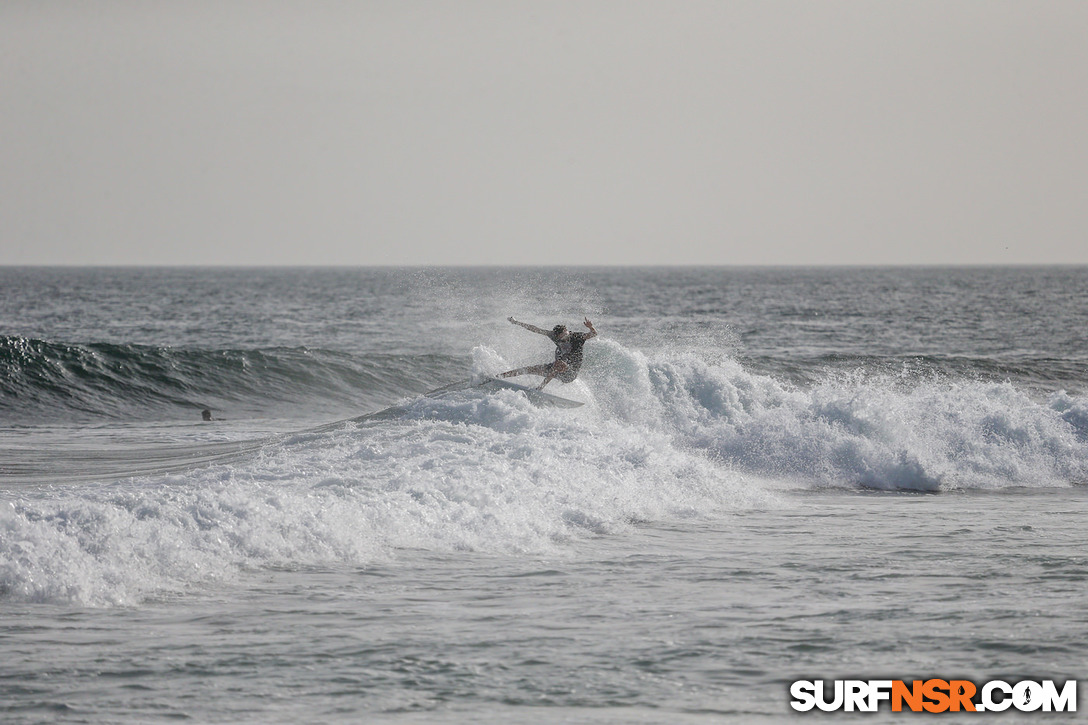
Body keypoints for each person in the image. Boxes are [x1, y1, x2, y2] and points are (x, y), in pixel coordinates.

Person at [500, 316, 598, 389]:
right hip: (556, 370)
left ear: (566, 331)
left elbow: (594, 334)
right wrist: (516, 322)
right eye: (560, 339)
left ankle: (540, 388)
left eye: (564, 337)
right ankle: (499, 377)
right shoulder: (555, 336)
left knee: (558, 363)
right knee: (529, 369)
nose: (563, 340)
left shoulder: (577, 337)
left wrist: (591, 327)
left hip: (570, 373)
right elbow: (536, 329)